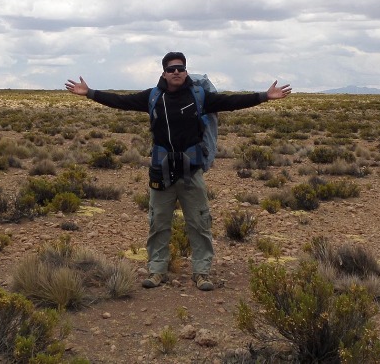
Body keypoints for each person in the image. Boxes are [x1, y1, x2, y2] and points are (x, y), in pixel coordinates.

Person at [65, 52, 292, 291]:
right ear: (164, 73)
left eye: (180, 68)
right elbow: (120, 101)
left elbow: (231, 102)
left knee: (199, 223)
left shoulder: (199, 96)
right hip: (161, 173)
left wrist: (264, 96)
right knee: (158, 223)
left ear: (185, 71)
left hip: (191, 173)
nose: (176, 72)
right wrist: (90, 93)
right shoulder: (153, 97)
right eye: (171, 69)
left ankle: (202, 272)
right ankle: (157, 270)